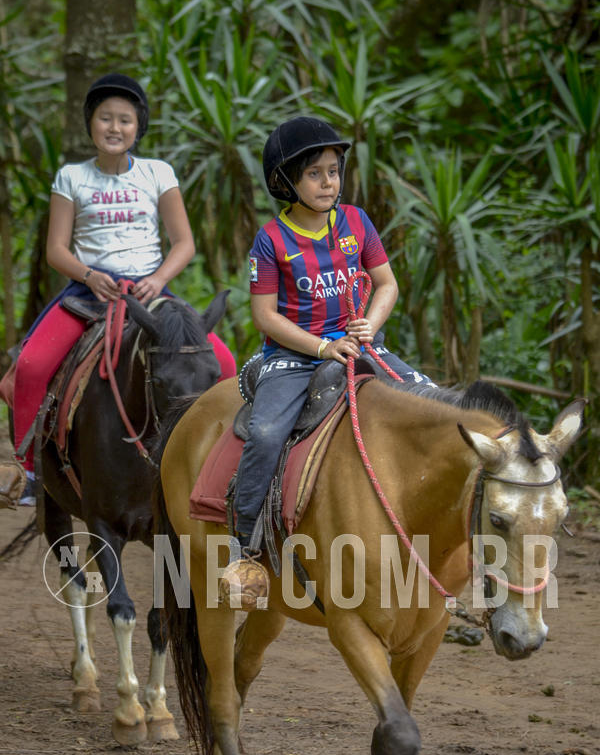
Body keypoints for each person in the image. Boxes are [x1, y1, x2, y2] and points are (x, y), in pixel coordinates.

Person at [219, 115, 433, 609]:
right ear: (287, 181)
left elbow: (387, 284)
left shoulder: (356, 222)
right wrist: (320, 347)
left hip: (358, 345)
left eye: (333, 172)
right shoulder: (270, 240)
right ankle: (246, 546)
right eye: (315, 173)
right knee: (268, 432)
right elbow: (264, 317)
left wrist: (370, 327)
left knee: (427, 397)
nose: (327, 182)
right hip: (293, 358)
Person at [0, 72, 235, 509]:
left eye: (125, 120)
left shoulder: (157, 173)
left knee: (222, 361)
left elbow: (184, 243)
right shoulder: (71, 177)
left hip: (150, 295)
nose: (114, 127)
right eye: (105, 118)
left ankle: (217, 466)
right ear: (90, 124)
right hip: (90, 294)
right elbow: (56, 248)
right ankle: (27, 468)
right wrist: (89, 276)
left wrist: (160, 278)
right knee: (31, 366)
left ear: (138, 127)